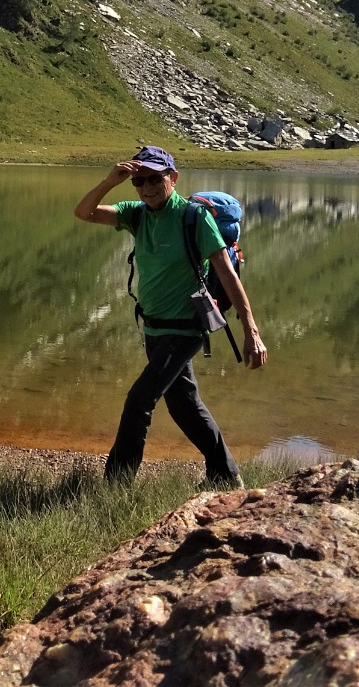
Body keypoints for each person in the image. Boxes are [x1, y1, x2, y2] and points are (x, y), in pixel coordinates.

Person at [73, 145, 267, 485]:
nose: (147, 187)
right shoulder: (137, 214)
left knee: (139, 401)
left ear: (173, 179)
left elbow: (226, 272)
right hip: (154, 328)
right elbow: (84, 212)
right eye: (140, 181)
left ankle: (116, 486)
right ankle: (225, 475)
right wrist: (110, 181)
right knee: (184, 405)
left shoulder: (194, 217)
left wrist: (251, 329)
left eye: (156, 179)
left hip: (186, 330)